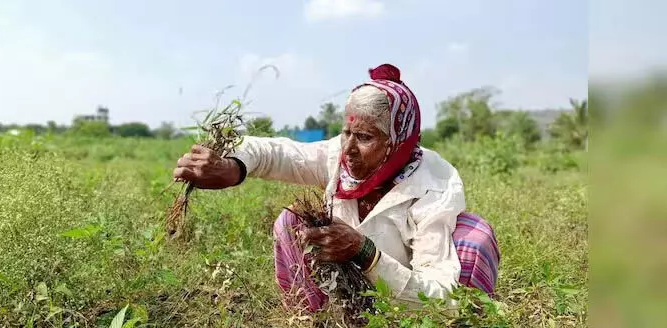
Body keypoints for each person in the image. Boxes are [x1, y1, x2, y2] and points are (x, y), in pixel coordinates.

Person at [172, 64, 499, 312]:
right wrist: (232, 167)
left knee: (473, 237)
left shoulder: (433, 186)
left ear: (397, 141)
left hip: (412, 308)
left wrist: (363, 251)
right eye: (346, 133)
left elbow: (439, 295)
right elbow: (276, 152)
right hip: (353, 293)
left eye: (366, 137)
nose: (348, 149)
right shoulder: (341, 157)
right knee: (291, 223)